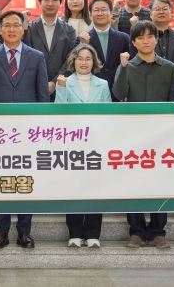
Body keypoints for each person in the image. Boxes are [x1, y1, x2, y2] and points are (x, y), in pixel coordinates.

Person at [0, 10, 49, 249]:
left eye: (15, 25)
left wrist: (42, 128)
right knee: (1, 179)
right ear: (0, 30)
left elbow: (42, 94)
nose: (11, 29)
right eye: (6, 25)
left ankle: (24, 232)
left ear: (23, 28)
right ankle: (1, 231)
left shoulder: (36, 56)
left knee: (26, 179)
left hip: (28, 131)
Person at [112, 21, 174, 250]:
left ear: (156, 39)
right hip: (134, 136)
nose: (146, 41)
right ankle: (137, 231)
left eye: (150, 36)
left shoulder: (169, 68)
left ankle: (158, 231)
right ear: (133, 42)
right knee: (133, 182)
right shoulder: (127, 66)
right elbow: (119, 93)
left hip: (162, 136)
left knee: (161, 182)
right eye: (140, 37)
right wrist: (123, 68)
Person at [54, 44, 111, 248]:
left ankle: (93, 234)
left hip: (96, 144)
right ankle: (75, 233)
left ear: (93, 62)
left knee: (96, 189)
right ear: (73, 61)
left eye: (88, 58)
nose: (84, 62)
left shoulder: (102, 85)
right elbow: (59, 113)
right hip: (73, 145)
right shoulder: (65, 82)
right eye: (80, 58)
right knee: (74, 189)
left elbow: (108, 116)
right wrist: (61, 89)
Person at [22, 0, 76, 101]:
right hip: (33, 88)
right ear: (40, 2)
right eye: (46, 0)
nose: (50, 4)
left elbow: (71, 59)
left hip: (62, 87)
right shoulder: (29, 29)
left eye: (55, 0)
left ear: (60, 3)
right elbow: (26, 57)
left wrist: (54, 82)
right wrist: (40, 83)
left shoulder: (69, 30)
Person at [73, 0, 130, 101]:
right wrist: (84, 45)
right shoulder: (81, 39)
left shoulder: (124, 38)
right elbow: (74, 66)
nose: (100, 13)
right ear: (90, 14)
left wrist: (127, 92)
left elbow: (131, 67)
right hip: (92, 94)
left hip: (118, 93)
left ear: (111, 13)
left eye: (104, 10)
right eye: (96, 10)